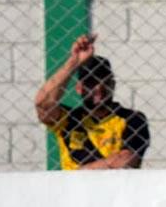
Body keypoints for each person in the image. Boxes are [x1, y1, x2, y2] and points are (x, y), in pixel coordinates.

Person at [34, 33, 151, 170]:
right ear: (79, 88)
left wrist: (80, 173)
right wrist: (73, 62)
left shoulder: (132, 118)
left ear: (112, 85)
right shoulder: (68, 119)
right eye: (91, 82)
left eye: (104, 82)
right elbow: (43, 104)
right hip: (74, 191)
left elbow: (125, 160)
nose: (98, 88)